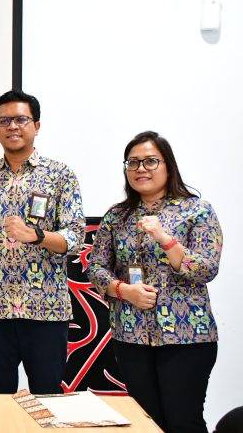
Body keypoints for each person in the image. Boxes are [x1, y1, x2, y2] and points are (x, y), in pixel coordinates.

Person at [88, 131, 222, 433]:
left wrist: (165, 239)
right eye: (133, 162)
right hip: (131, 336)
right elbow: (96, 267)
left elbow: (206, 268)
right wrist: (124, 290)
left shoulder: (197, 210)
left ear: (168, 166)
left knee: (183, 422)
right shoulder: (117, 216)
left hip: (186, 336)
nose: (141, 169)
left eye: (150, 161)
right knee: (147, 423)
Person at [0, 90, 85, 394]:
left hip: (46, 308)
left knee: (47, 396)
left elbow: (75, 237)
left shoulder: (60, 175)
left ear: (36, 125)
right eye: (4, 121)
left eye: (21, 119)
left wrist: (38, 236)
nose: (12, 126)